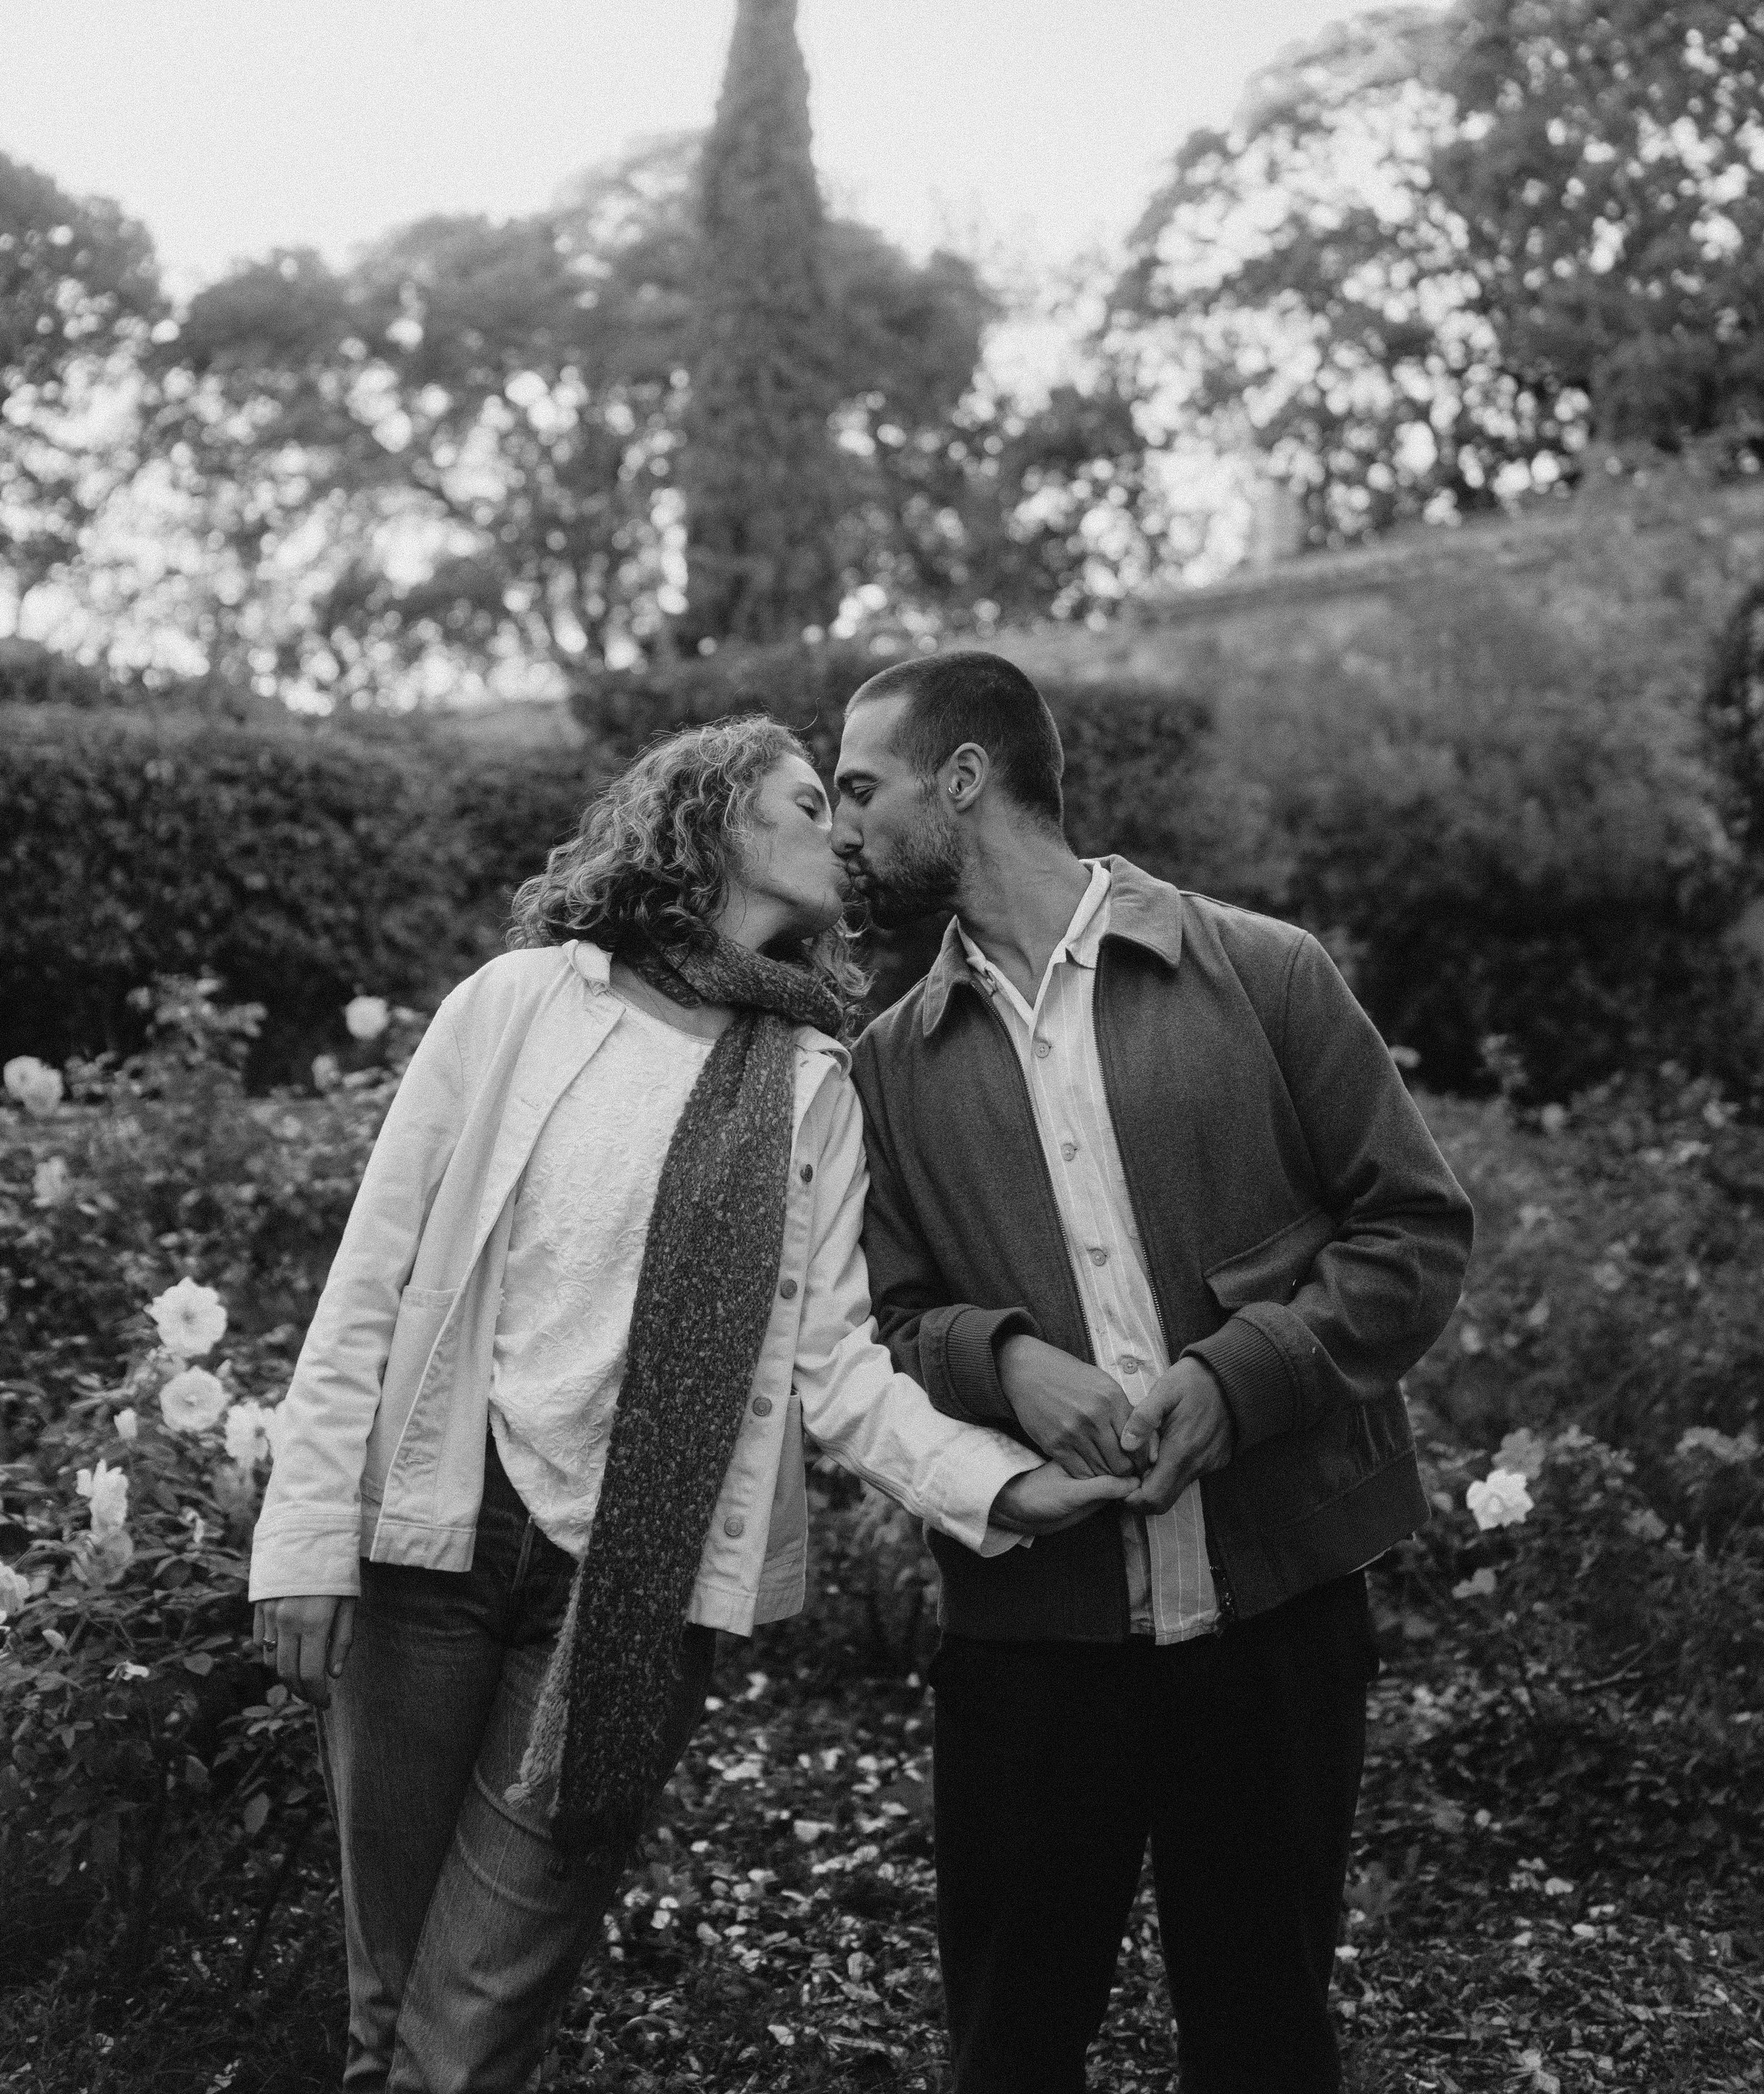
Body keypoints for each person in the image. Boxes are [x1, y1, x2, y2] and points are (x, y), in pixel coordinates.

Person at [249, 716, 1129, 2094]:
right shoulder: (524, 1004)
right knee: (386, 2013)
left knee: (465, 2033)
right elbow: (373, 1277)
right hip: (430, 1542)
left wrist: (1002, 1488)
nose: (839, 830)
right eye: (801, 800)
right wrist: (302, 1542)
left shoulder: (810, 1083)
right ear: (709, 822)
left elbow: (836, 1370)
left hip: (629, 1597)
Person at [832, 652, 1474, 2094]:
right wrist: (1006, 1366)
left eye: (858, 790)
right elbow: (878, 1317)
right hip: (1026, 1640)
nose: (838, 831)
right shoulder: (879, 1065)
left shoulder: (1263, 972)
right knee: (1007, 2046)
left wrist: (1240, 1377)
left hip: (1281, 1618)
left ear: (964, 778)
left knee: (1263, 2039)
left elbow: (1410, 1229)